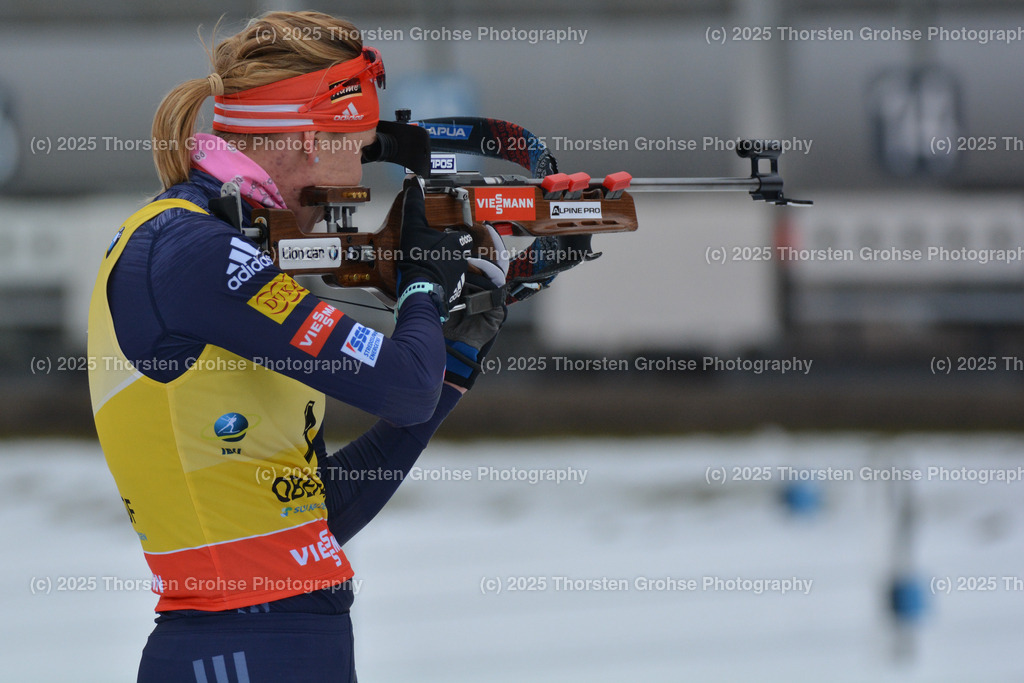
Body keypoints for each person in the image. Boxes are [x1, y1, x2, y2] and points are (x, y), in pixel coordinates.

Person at [87, 11, 505, 682]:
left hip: (278, 642)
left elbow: (313, 520)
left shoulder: (215, 245)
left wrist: (454, 354)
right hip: (233, 649)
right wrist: (424, 280)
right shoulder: (191, 249)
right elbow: (402, 384)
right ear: (311, 136)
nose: (357, 177)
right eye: (359, 146)